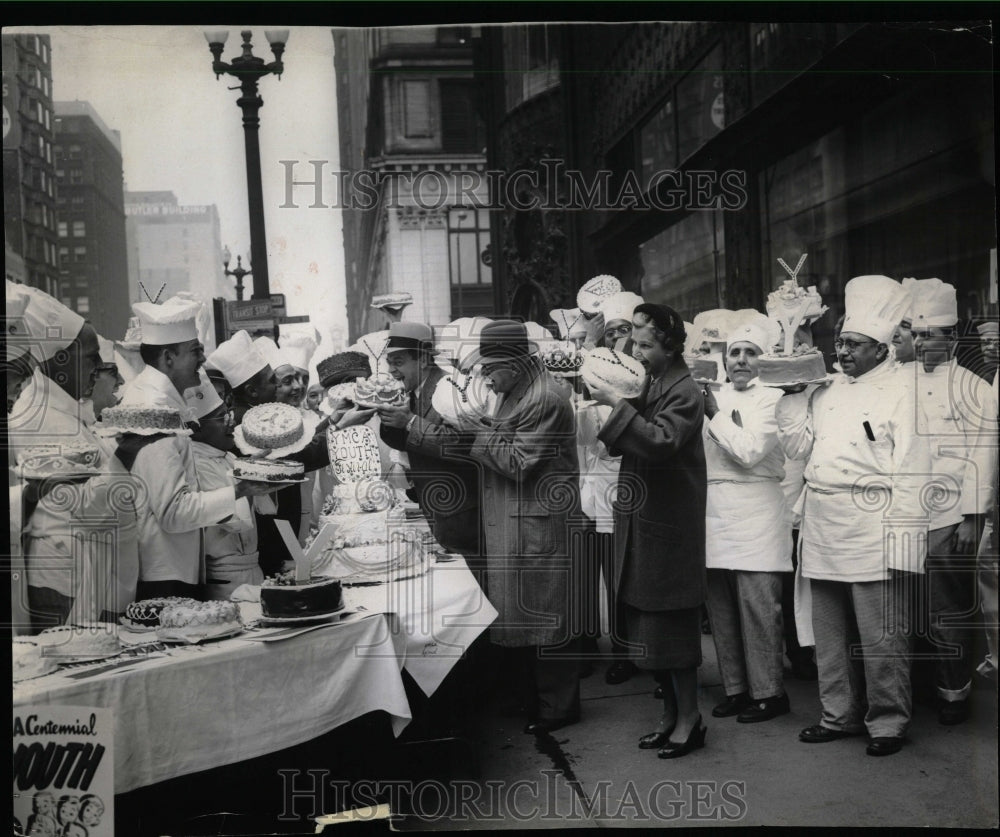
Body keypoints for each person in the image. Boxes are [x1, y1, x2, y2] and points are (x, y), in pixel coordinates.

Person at [776, 274, 930, 757]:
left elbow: (913, 470)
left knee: (881, 634)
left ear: (882, 348)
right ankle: (837, 715)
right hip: (823, 520)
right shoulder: (826, 390)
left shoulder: (905, 393)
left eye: (854, 345)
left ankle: (888, 721)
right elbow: (797, 447)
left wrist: (905, 544)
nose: (841, 352)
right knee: (829, 631)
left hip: (873, 523)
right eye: (839, 342)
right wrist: (793, 394)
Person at [589, 303, 708, 759]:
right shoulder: (655, 381)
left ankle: (690, 719)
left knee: (673, 634)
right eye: (633, 343)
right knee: (649, 634)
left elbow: (659, 442)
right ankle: (670, 717)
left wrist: (616, 407)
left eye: (644, 345)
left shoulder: (685, 391)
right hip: (645, 524)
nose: (634, 352)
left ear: (670, 345)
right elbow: (631, 436)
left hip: (669, 529)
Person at [469, 320, 583, 734]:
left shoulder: (545, 397)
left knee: (547, 613)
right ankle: (535, 700)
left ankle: (559, 707)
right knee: (524, 611)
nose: (486, 378)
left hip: (538, 521)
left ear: (514, 365)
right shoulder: (518, 388)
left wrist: (473, 432)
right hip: (519, 518)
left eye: (490, 370)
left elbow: (518, 463)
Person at [116, 302, 271, 600]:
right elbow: (174, 512)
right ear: (168, 357)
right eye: (195, 351)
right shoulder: (153, 408)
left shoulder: (158, 400)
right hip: (162, 571)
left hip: (173, 564)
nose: (203, 359)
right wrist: (240, 489)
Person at [8, 287, 139, 629]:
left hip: (86, 571)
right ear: (61, 359)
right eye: (92, 357)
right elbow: (86, 507)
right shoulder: (41, 417)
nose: (98, 367)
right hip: (61, 577)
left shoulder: (65, 410)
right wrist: (128, 451)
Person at [905, 280, 996, 723]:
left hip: (949, 515)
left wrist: (971, 519)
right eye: (916, 335)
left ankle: (953, 692)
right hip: (904, 514)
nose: (921, 344)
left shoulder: (974, 388)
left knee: (946, 611)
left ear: (953, 335)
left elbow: (983, 455)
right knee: (909, 608)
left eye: (930, 336)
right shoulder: (900, 383)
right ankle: (920, 686)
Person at [702, 312, 792, 723]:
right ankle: (736, 688)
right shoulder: (714, 393)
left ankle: (770, 693)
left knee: (758, 607)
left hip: (757, 510)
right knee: (721, 607)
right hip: (715, 509)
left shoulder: (773, 398)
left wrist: (713, 413)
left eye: (750, 353)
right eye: (734, 352)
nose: (740, 360)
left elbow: (751, 450)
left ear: (764, 360)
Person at [376, 322, 482, 559]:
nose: (391, 371)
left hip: (463, 517)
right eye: (389, 363)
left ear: (423, 360)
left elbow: (461, 446)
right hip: (439, 513)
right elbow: (404, 442)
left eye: (398, 362)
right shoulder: (410, 391)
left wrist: (410, 422)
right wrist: (386, 415)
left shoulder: (452, 388)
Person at [185, 372, 264, 599]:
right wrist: (247, 486)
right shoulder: (194, 462)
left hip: (254, 567)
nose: (231, 422)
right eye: (221, 418)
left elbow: (264, 508)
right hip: (224, 578)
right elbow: (234, 522)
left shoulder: (229, 457)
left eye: (229, 413)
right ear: (196, 428)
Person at [974, 320, 998, 683]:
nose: (989, 348)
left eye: (995, 341)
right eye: (984, 343)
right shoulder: (990, 381)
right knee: (988, 570)